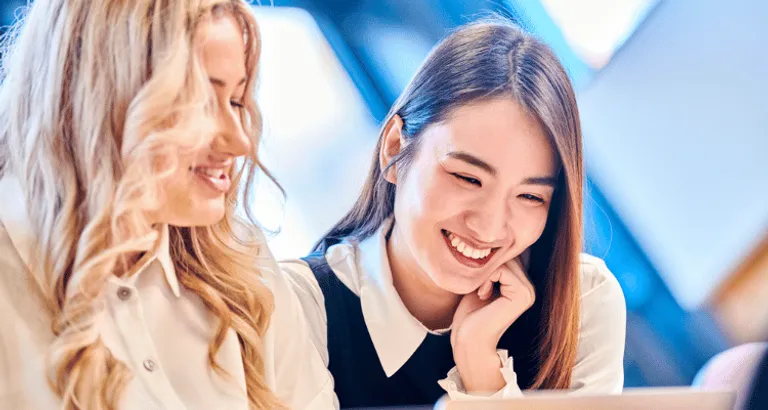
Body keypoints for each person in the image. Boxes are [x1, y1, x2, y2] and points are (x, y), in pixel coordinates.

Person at [0, 1, 334, 409]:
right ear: (105, 98)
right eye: (199, 103)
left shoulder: (245, 267)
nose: (240, 142)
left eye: (237, 101)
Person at [282, 19, 626, 408]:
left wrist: (480, 365)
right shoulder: (296, 308)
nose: (489, 226)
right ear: (395, 148)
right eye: (467, 177)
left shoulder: (582, 301)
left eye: (530, 196)